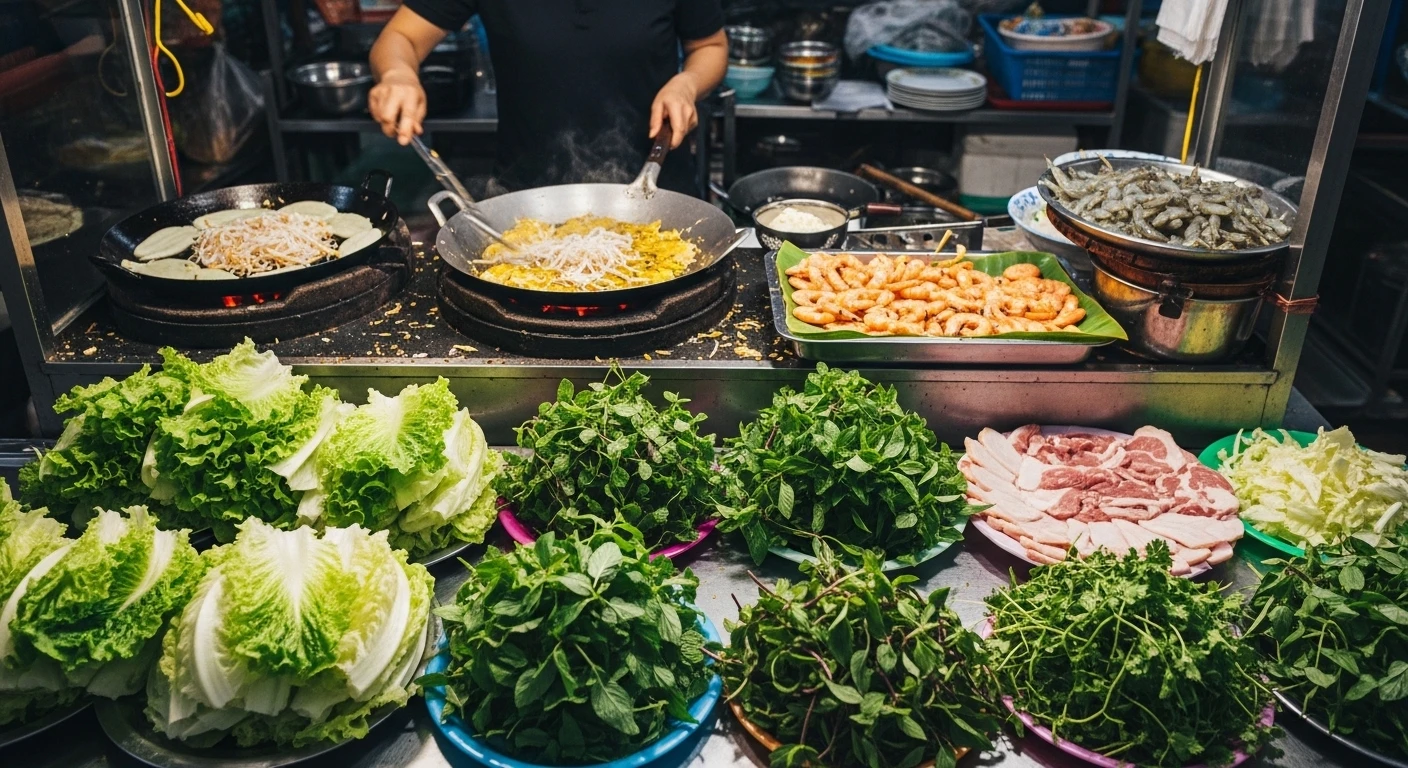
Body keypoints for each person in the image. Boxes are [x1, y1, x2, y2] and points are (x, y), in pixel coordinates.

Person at [368, 1, 727, 197]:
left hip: (656, 186)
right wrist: (398, 74)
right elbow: (401, 37)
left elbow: (710, 46)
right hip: (528, 194)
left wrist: (687, 84)